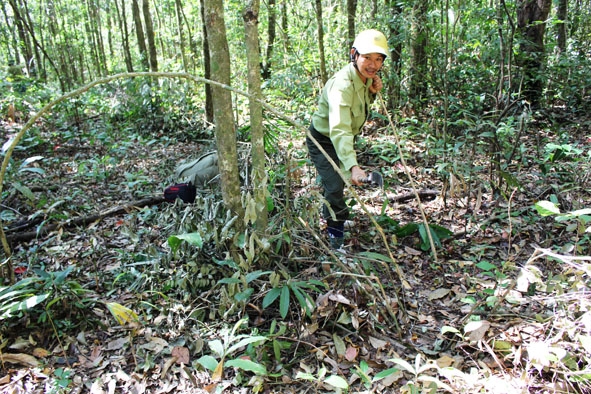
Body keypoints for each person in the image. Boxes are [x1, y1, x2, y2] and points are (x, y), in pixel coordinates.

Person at [306, 29, 389, 250]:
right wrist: (353, 167)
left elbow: (359, 106)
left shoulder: (363, 78)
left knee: (338, 182)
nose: (373, 64)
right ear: (354, 54)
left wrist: (371, 91)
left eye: (378, 59)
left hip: (340, 138)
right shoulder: (342, 85)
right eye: (367, 58)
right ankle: (335, 237)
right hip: (323, 140)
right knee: (334, 185)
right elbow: (339, 129)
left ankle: (334, 217)